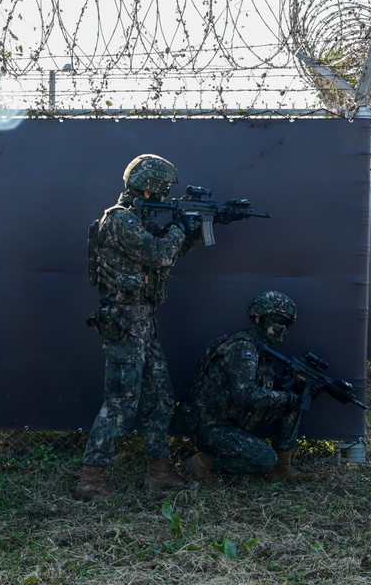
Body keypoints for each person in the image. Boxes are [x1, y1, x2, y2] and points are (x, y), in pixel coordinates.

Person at [77, 154, 209, 502]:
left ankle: (158, 473)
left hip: (143, 323)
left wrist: (198, 228)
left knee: (160, 399)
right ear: (149, 188)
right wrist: (182, 224)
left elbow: (169, 254)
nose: (166, 195)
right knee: (120, 404)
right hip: (124, 322)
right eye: (163, 190)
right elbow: (161, 254)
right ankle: (90, 480)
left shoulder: (138, 220)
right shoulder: (120, 220)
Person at [177, 291, 311, 484]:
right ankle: (204, 463)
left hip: (232, 419)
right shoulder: (243, 348)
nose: (282, 327)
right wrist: (285, 397)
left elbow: (261, 389)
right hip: (211, 426)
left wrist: (292, 390)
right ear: (258, 317)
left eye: (287, 323)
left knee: (293, 403)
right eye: (278, 320)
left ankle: (282, 469)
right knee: (265, 459)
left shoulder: (259, 348)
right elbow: (245, 395)